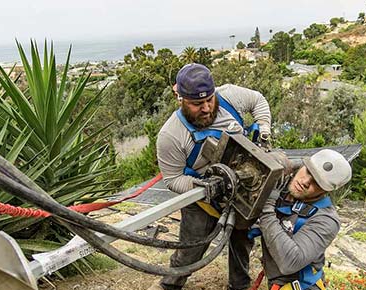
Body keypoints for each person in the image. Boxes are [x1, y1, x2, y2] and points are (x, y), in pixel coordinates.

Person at [151, 63, 272, 290]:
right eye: (197, 104)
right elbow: (173, 179)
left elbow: (258, 101)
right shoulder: (171, 135)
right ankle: (170, 285)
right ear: (181, 99)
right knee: (191, 250)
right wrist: (204, 188)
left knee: (241, 241)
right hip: (202, 199)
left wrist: (264, 128)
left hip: (242, 191)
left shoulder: (230, 97)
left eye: (209, 100)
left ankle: (239, 286)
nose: (206, 108)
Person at [259, 149, 352, 290]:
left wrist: (266, 207)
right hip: (275, 281)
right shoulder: (284, 189)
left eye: (317, 182)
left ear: (326, 191)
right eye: (309, 171)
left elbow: (290, 262)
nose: (305, 182)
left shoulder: (327, 220)